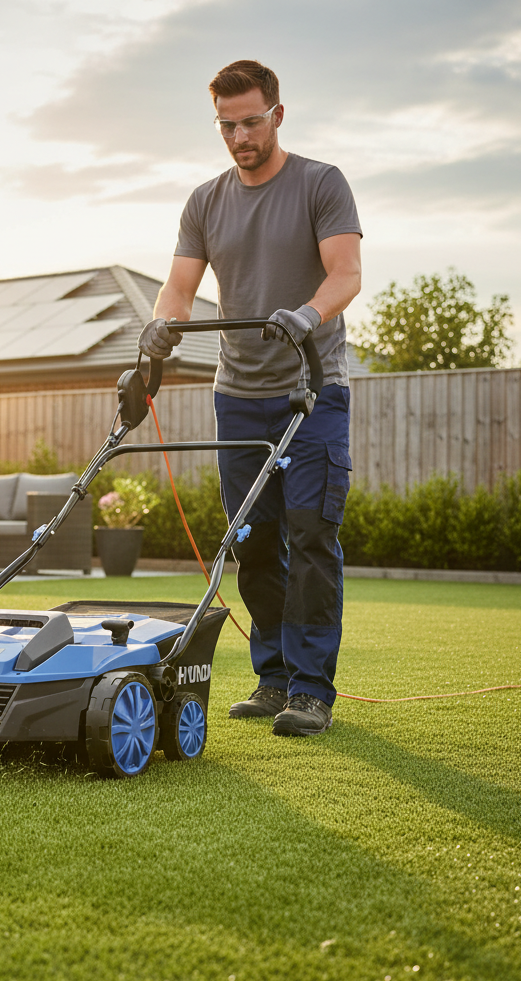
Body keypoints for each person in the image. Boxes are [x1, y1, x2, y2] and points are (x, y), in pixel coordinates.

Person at [138, 59, 362, 737]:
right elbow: (178, 290)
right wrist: (159, 328)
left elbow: (345, 273)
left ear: (278, 116)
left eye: (252, 122)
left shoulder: (321, 184)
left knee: (312, 536)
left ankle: (313, 690)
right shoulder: (205, 201)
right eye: (228, 125)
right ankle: (272, 679)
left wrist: (307, 315)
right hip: (237, 395)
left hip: (312, 390)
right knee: (255, 542)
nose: (241, 137)